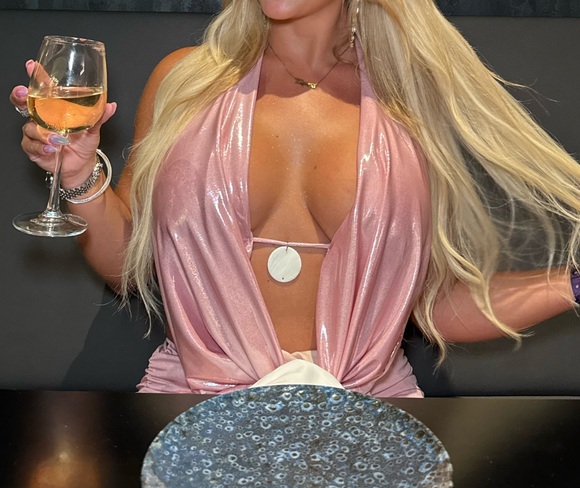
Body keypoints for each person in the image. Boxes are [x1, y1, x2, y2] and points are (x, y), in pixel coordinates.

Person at [9, 0, 580, 397]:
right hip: (196, 407)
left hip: (365, 415)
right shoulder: (184, 82)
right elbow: (128, 270)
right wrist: (79, 176)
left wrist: (573, 283)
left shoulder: (407, 104)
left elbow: (432, 303)